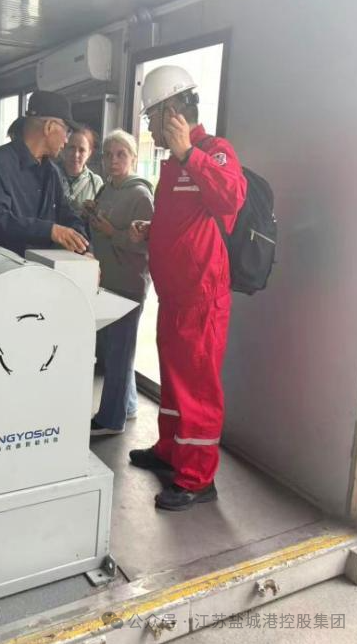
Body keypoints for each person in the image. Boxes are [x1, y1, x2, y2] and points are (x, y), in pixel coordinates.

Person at [128, 65, 246, 511]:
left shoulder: (213, 152)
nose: (150, 128)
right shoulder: (173, 164)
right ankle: (170, 452)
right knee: (176, 385)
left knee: (197, 390)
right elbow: (183, 223)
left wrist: (189, 154)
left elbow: (231, 198)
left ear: (172, 111)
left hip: (202, 299)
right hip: (175, 298)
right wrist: (150, 230)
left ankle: (197, 478)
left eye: (151, 118)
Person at [87, 130, 154, 436]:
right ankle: (128, 405)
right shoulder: (106, 189)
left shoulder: (140, 195)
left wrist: (112, 232)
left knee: (119, 354)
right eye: (108, 155)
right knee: (117, 350)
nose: (113, 161)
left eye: (121, 155)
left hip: (129, 283)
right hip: (108, 279)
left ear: (133, 158)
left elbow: (147, 244)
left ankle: (111, 420)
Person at [0, 91, 89, 256]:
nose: (66, 140)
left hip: (38, 267)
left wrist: (84, 249)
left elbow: (66, 214)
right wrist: (50, 230)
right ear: (49, 127)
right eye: (68, 131)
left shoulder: (52, 172)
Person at [56, 126, 103, 215]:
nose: (76, 154)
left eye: (82, 150)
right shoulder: (50, 175)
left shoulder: (96, 183)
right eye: (72, 148)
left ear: (89, 153)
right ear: (64, 148)